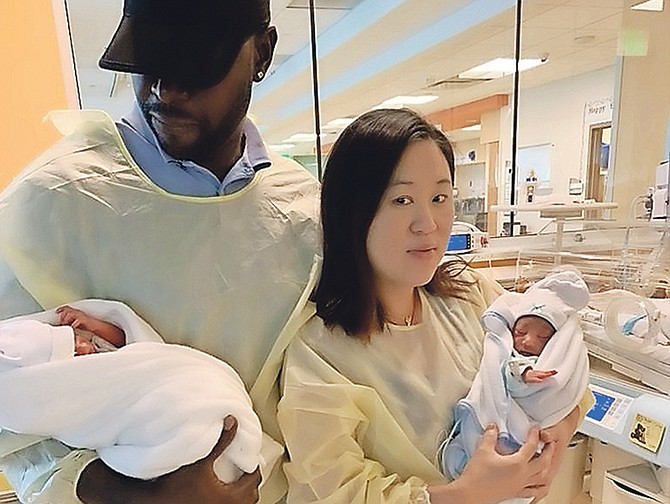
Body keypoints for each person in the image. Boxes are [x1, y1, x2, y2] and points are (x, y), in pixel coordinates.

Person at [0, 0, 320, 502]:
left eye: (197, 64)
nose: (167, 88)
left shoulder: (305, 212)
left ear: (262, 52)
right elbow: (10, 417)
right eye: (149, 60)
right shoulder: (48, 204)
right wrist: (130, 494)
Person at [277, 109, 593, 504]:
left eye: (440, 197)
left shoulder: (471, 295)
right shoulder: (321, 352)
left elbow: (567, 364)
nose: (427, 223)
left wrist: (558, 431)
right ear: (352, 210)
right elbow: (335, 491)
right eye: (402, 199)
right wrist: (466, 494)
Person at [0, 300, 264, 486]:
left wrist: (94, 326)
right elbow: (68, 412)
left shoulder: (96, 344)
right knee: (181, 422)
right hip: (138, 409)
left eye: (78, 339)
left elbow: (132, 345)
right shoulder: (57, 389)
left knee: (194, 396)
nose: (83, 347)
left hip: (164, 378)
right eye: (72, 350)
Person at [440, 270, 591, 496]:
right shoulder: (503, 332)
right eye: (521, 332)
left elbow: (573, 386)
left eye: (543, 338)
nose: (529, 341)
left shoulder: (473, 287)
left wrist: (566, 421)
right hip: (489, 426)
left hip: (524, 439)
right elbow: (507, 369)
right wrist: (466, 493)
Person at [0, 305, 126, 365]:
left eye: (76, 339)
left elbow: (125, 340)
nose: (83, 347)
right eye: (74, 353)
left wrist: (91, 323)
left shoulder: (92, 343)